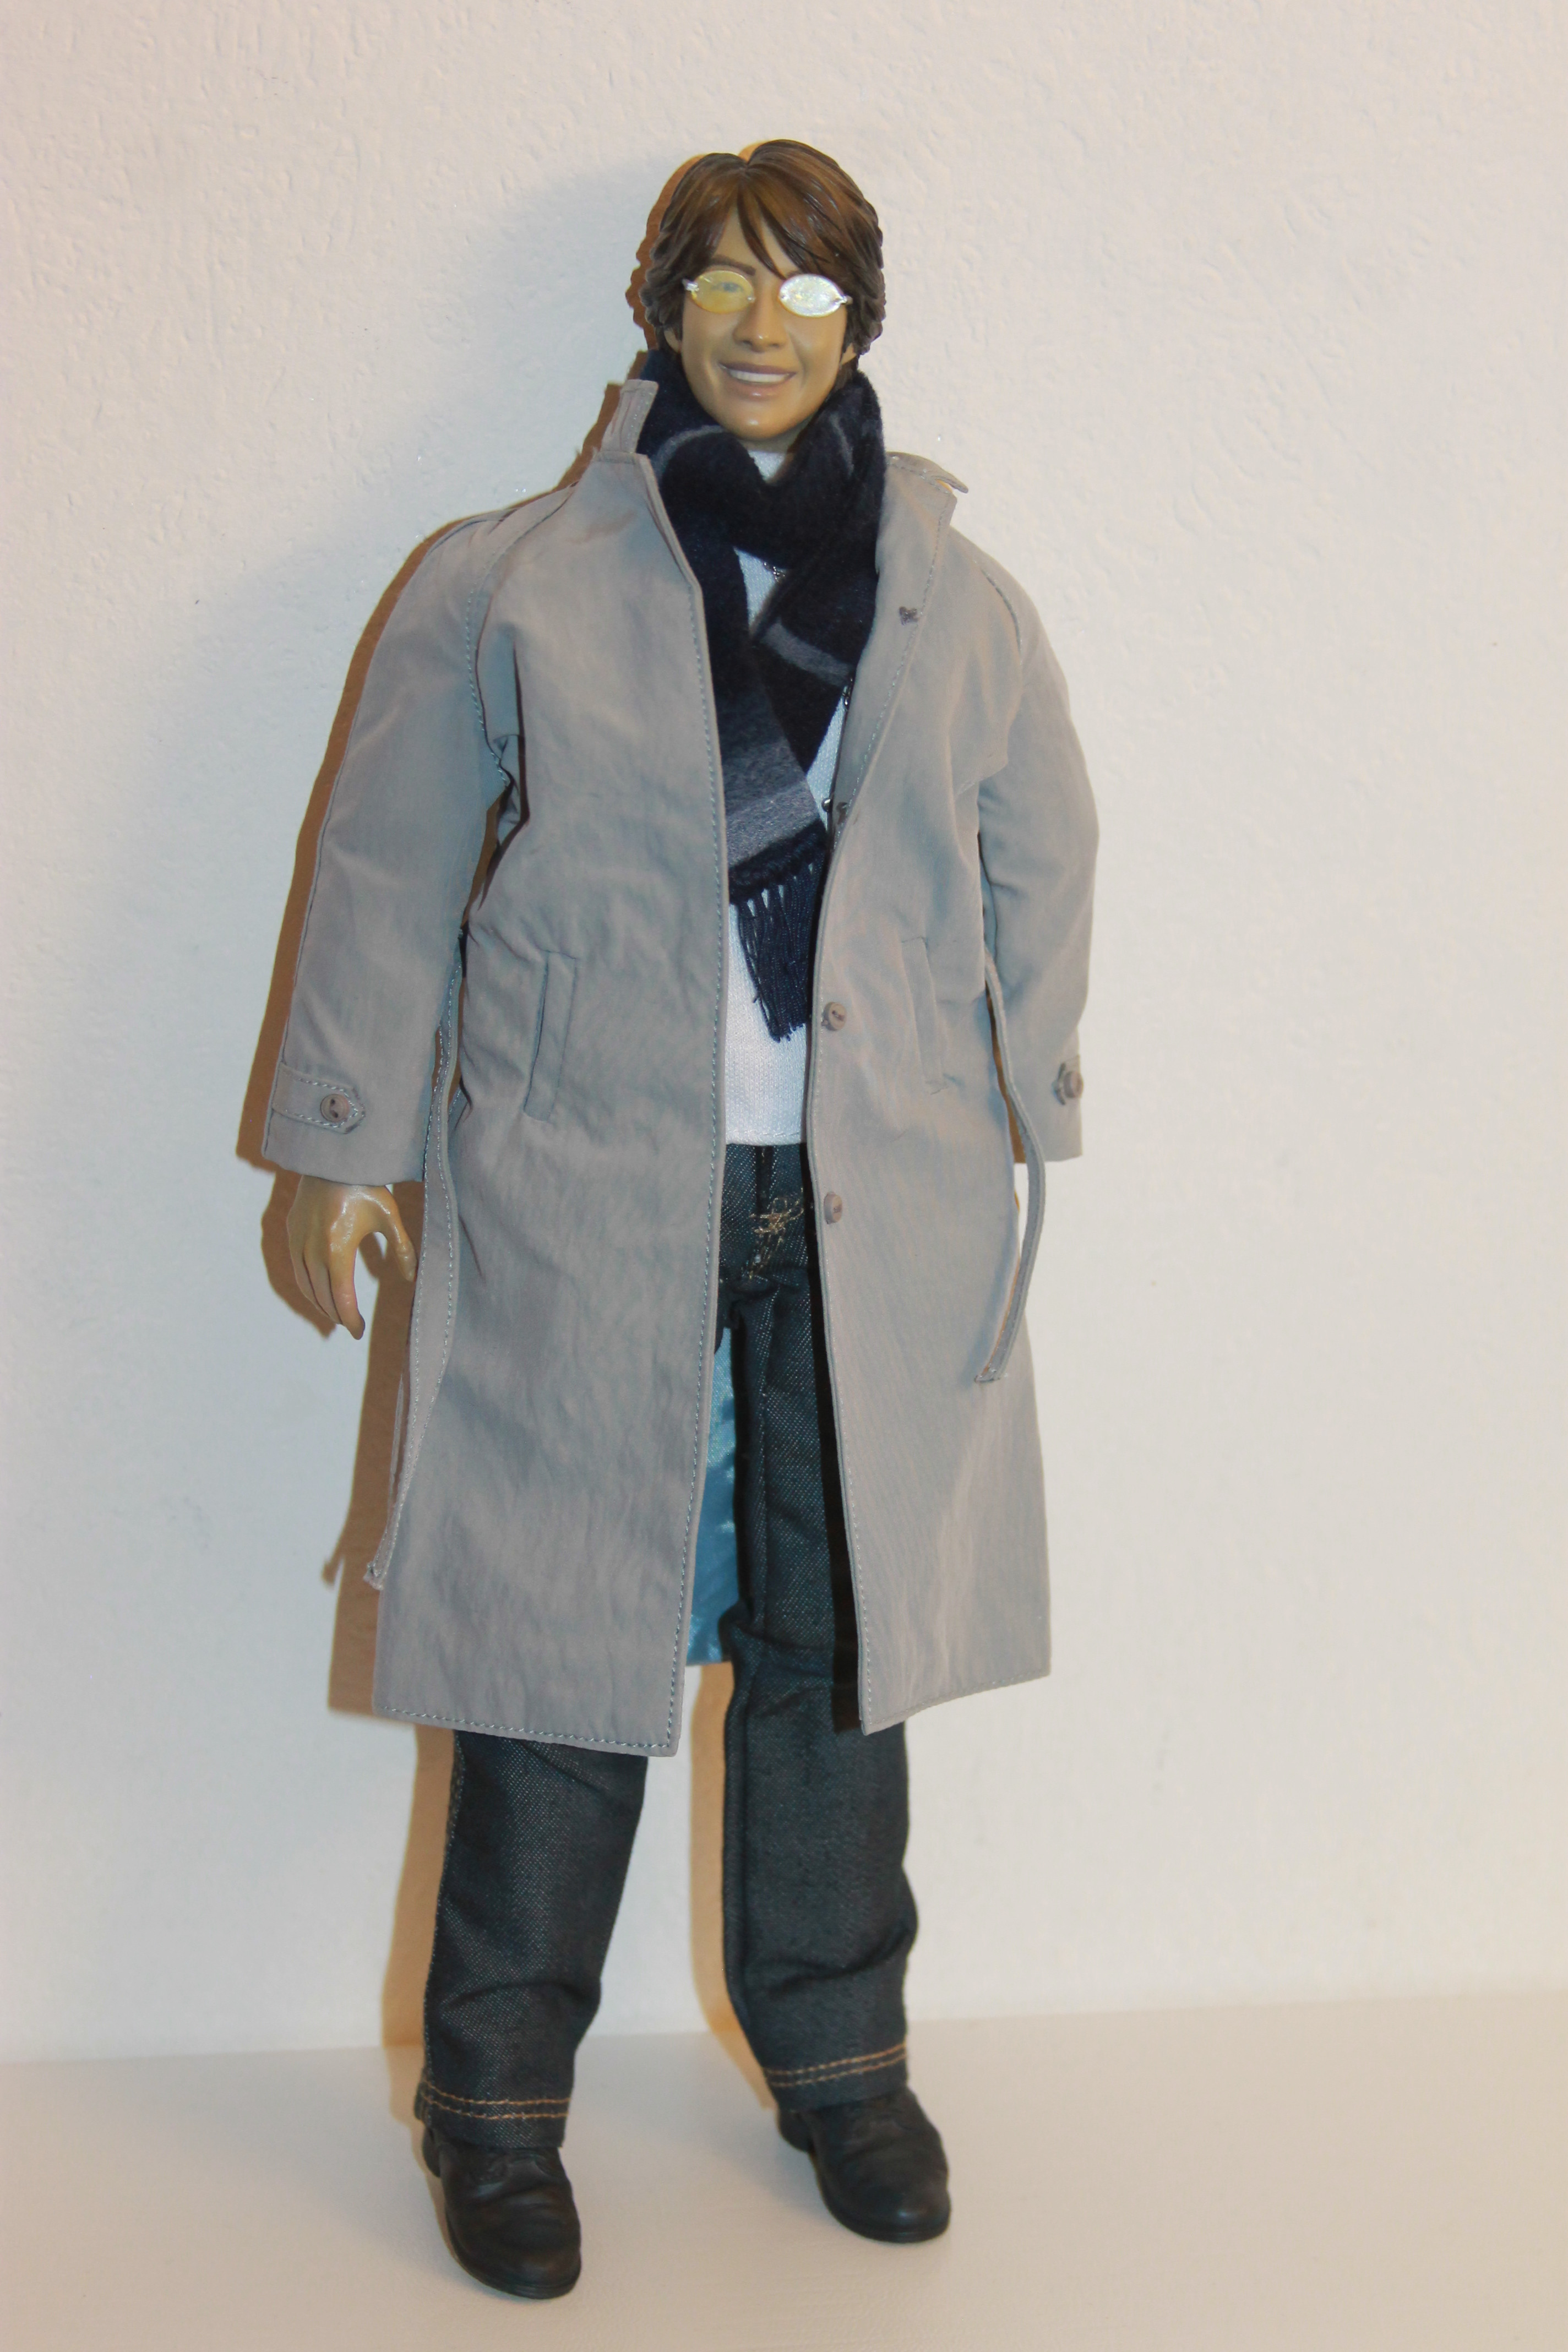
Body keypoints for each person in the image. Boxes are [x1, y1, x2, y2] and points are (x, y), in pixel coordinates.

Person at [271, 140, 1097, 2299]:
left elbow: (1041, 842)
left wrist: (1021, 1089)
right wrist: (345, 1138)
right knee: (553, 1646)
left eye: (805, 290)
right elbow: (389, 853)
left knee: (844, 1648)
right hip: (586, 1186)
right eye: (722, 280)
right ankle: (493, 2106)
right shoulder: (516, 578)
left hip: (865, 1198)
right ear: (661, 306)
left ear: (857, 323)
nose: (761, 324)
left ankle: (843, 2064)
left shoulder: (946, 593)